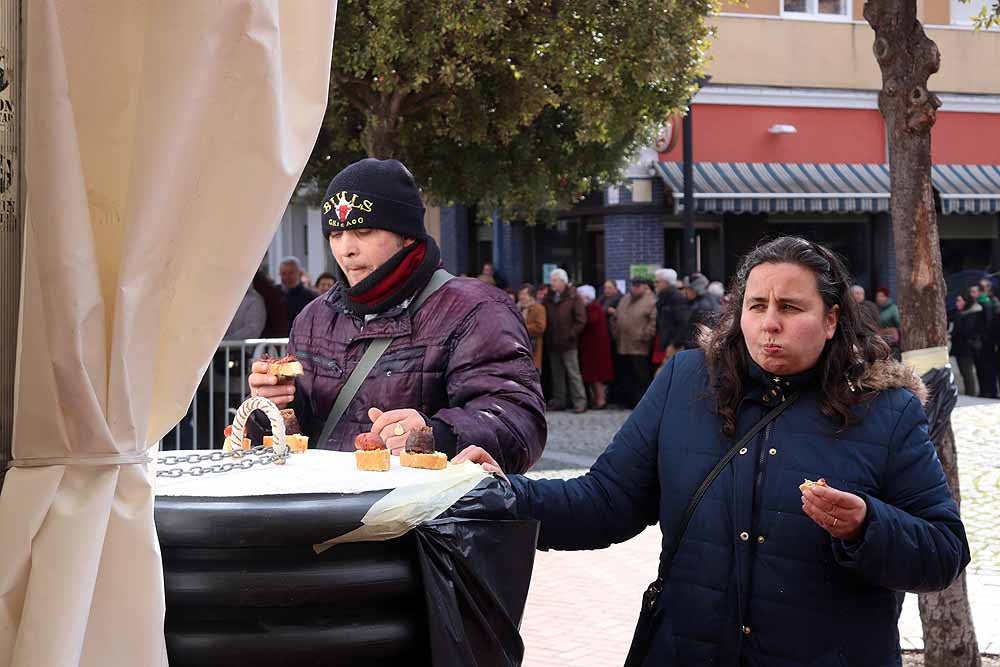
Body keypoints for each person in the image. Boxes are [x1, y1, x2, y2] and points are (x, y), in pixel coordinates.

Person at [456, 236, 969, 666]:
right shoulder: (684, 383)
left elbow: (943, 552)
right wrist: (505, 495)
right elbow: (604, 502)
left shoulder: (886, 410)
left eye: (791, 308)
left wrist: (866, 527)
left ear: (831, 319)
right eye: (757, 306)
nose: (770, 323)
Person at [248, 158, 546, 473]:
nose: (346, 248)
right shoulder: (313, 317)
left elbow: (519, 424)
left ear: (405, 236)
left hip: (427, 517)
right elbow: (295, 435)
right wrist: (271, 408)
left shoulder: (476, 309)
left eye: (363, 231)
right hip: (326, 513)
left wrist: (435, 435)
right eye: (335, 235)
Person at [543, 268, 587, 413]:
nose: (552, 283)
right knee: (557, 374)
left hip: (568, 342)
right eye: (552, 280)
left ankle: (580, 402)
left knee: (573, 373)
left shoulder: (573, 297)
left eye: (555, 280)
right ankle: (559, 401)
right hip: (553, 341)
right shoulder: (549, 297)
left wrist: (571, 334)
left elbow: (581, 319)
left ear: (563, 281)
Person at [611, 278, 656, 408]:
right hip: (623, 344)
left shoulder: (650, 300)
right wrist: (615, 332)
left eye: (638, 285)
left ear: (645, 286)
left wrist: (645, 335)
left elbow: (653, 321)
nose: (634, 288)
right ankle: (627, 401)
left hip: (640, 346)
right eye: (633, 285)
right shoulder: (625, 299)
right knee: (626, 375)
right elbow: (617, 317)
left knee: (641, 376)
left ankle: (641, 403)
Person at [577, 285, 613, 410]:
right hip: (592, 348)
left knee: (596, 378)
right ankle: (597, 400)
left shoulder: (593, 309)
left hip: (595, 349)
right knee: (593, 377)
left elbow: (588, 322)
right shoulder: (593, 308)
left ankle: (600, 400)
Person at [949, 293, 983, 396]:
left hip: (966, 349)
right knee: (964, 372)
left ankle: (971, 393)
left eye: (959, 300)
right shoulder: (958, 313)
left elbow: (966, 331)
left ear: (966, 302)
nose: (957, 303)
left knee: (967, 373)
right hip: (959, 348)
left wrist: (952, 335)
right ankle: (969, 393)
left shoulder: (971, 314)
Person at [653, 268, 689, 363]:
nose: (655, 284)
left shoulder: (676, 298)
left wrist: (674, 344)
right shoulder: (663, 298)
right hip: (665, 343)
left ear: (666, 282)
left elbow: (683, 323)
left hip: (673, 346)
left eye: (657, 282)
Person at [971, 282, 999, 398]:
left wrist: (981, 337)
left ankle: (989, 391)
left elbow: (988, 324)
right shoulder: (982, 304)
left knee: (988, 368)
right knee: (983, 368)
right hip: (986, 342)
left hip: (986, 343)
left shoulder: (987, 304)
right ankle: (987, 391)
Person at [278, 256, 319, 325]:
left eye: (291, 273)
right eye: (284, 273)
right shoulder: (274, 294)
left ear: (299, 274)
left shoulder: (311, 297)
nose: (287, 277)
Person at [516, 283, 547, 371]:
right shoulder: (517, 308)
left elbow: (540, 327)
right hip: (519, 351)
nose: (521, 297)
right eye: (520, 294)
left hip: (533, 350)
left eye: (524, 294)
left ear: (531, 296)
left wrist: (522, 327)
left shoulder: (539, 308)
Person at [252, 269, 291, 338]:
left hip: (271, 336)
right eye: (284, 273)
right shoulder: (270, 288)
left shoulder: (262, 286)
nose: (287, 277)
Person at [874, 287, 901, 358]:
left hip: (892, 340)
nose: (879, 298)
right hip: (880, 341)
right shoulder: (876, 309)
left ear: (887, 297)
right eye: (877, 296)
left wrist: (892, 330)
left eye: (881, 296)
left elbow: (899, 323)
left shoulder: (893, 308)